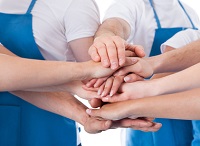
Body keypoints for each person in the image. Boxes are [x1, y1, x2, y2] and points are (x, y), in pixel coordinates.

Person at [0, 0, 158, 145]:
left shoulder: (74, 5)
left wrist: (85, 111)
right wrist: (86, 71)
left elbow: (12, 74)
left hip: (46, 130)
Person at [87, 0, 200, 145]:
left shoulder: (189, 12)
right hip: (147, 114)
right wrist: (108, 37)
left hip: (188, 109)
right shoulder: (132, 5)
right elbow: (116, 24)